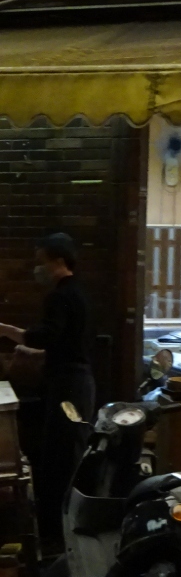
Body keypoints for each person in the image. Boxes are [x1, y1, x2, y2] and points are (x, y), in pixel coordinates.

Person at [0, 233, 93, 550]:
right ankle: (66, 532)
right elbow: (65, 343)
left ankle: (60, 537)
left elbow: (46, 337)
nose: (36, 269)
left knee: (62, 459)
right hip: (78, 384)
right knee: (68, 454)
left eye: (41, 262)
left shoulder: (61, 296)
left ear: (58, 261)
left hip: (69, 388)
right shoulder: (78, 293)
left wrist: (11, 332)